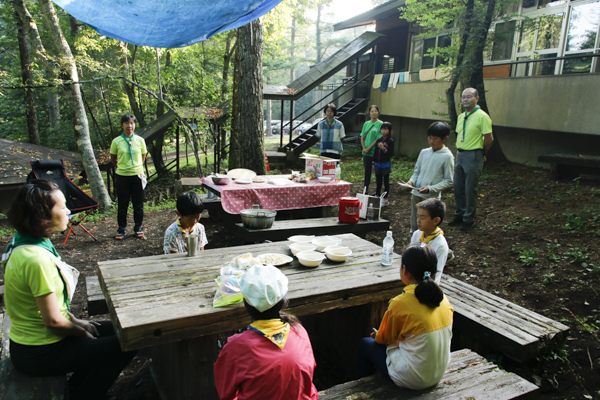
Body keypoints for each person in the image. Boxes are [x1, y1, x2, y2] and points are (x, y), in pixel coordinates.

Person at [2, 180, 136, 400]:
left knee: (121, 330)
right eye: (62, 206)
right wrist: (80, 332)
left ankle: (76, 387)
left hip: (35, 343)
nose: (68, 211)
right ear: (42, 215)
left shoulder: (24, 243)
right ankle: (85, 394)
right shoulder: (36, 260)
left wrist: (76, 320)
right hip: (39, 351)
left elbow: (50, 309)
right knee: (127, 343)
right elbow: (53, 322)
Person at [357, 244, 454, 390]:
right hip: (438, 373)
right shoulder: (443, 300)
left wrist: (378, 335)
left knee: (366, 344)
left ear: (405, 270)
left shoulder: (400, 303)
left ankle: (363, 388)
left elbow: (383, 339)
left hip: (414, 378)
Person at [214, 265, 318, 400]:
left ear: (246, 303)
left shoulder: (237, 347)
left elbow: (226, 393)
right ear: (283, 302)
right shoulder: (299, 331)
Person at [448, 88, 494, 231]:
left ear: (477, 98)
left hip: (474, 155)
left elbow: (489, 139)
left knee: (470, 188)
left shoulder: (482, 116)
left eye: (469, 97)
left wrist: (481, 153)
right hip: (460, 154)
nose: (465, 100)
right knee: (458, 187)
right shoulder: (462, 116)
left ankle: (469, 218)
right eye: (463, 97)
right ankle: (460, 214)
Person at [406, 121, 454, 234]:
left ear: (445, 138)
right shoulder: (424, 152)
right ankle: (413, 243)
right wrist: (411, 182)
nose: (431, 141)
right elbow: (417, 172)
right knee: (415, 222)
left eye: (435, 138)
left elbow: (448, 181)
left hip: (431, 198)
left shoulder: (447, 157)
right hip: (416, 194)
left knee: (427, 224)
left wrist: (430, 188)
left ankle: (426, 246)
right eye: (429, 138)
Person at [110, 114, 148, 240]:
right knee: (122, 205)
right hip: (122, 176)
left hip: (137, 176)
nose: (129, 126)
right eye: (126, 123)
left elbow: (143, 156)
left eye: (132, 123)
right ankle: (121, 229)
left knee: (138, 205)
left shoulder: (140, 140)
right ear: (122, 125)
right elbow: (113, 159)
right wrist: (122, 168)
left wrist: (136, 168)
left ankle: (138, 228)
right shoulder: (116, 141)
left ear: (134, 125)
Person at [410, 198, 449, 284]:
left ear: (436, 220)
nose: (418, 221)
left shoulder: (440, 245)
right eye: (417, 217)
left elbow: (435, 275)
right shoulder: (417, 234)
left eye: (423, 218)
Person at [360, 105, 383, 193]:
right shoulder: (366, 124)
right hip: (366, 153)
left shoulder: (380, 124)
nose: (373, 113)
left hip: (375, 152)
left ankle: (377, 191)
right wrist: (364, 148)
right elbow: (362, 136)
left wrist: (369, 148)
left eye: (375, 111)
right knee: (367, 172)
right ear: (369, 113)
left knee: (377, 172)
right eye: (372, 111)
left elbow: (378, 138)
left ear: (378, 113)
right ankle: (365, 189)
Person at [373, 121, 394, 206]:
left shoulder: (390, 141)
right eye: (382, 129)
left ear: (389, 131)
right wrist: (373, 163)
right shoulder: (379, 140)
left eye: (386, 129)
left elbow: (391, 153)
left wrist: (384, 149)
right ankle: (377, 195)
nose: (383, 131)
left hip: (385, 164)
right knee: (378, 181)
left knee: (385, 181)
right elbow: (375, 152)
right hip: (377, 164)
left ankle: (385, 198)